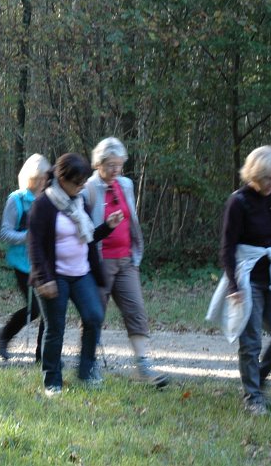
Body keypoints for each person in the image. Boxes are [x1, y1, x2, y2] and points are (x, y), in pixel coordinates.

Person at [210, 145, 271, 416]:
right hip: (248, 279)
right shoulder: (238, 202)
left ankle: (257, 380)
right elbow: (227, 248)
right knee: (251, 342)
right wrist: (233, 286)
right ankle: (253, 398)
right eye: (267, 178)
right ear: (254, 175)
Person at [29, 153, 123, 395]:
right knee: (55, 328)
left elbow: (88, 236)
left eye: (83, 182)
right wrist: (44, 278)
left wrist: (107, 227)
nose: (82, 187)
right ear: (62, 180)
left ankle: (86, 370)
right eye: (77, 183)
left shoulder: (79, 201)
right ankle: (52, 381)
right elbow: (35, 245)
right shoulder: (43, 205)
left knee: (94, 316)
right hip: (54, 276)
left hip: (81, 273)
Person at [84, 138, 168, 387]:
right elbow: (85, 228)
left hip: (126, 259)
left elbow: (132, 219)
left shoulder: (126, 185)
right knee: (94, 315)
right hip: (100, 262)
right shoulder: (88, 189)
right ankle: (89, 366)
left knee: (136, 310)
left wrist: (135, 253)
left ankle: (143, 367)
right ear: (98, 164)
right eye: (110, 165)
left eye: (119, 165)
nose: (115, 170)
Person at [0, 154, 50, 363]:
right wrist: (26, 236)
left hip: (45, 261)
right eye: (39, 177)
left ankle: (43, 353)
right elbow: (5, 232)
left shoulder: (50, 197)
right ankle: (5, 335)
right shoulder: (16, 199)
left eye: (46, 177)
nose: (43, 181)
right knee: (34, 309)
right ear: (30, 177)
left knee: (49, 309)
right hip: (22, 263)